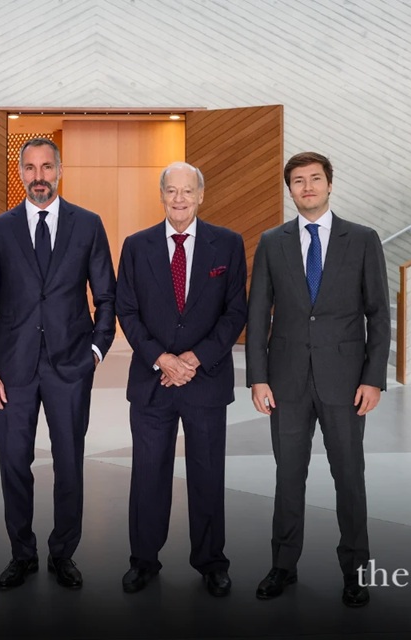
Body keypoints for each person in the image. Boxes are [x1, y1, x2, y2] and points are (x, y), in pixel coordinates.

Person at [245, 152, 390, 607]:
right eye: (298, 181)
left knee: (349, 477)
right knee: (288, 477)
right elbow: (257, 314)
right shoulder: (272, 242)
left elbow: (379, 315)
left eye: (315, 179)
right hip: (285, 381)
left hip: (346, 382)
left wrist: (374, 379)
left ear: (330, 184)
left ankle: (355, 571)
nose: (307, 187)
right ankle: (283, 566)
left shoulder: (363, 240)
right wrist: (257, 377)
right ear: (289, 189)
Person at [0, 138, 116, 591]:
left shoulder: (88, 225)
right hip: (11, 371)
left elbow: (107, 295)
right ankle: (21, 553)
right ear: (20, 173)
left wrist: (95, 351)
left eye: (47, 167)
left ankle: (63, 553)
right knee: (14, 461)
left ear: (60, 170)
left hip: (69, 366)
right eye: (31, 168)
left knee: (69, 462)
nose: (39, 176)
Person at [115, 162, 247, 597]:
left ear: (201, 195)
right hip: (153, 381)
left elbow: (235, 312)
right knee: (148, 475)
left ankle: (211, 562)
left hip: (204, 379)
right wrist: (161, 358)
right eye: (171, 190)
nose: (179, 199)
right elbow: (127, 311)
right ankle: (143, 560)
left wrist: (193, 358)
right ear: (161, 195)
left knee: (207, 475)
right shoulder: (136, 246)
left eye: (187, 191)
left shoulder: (227, 244)